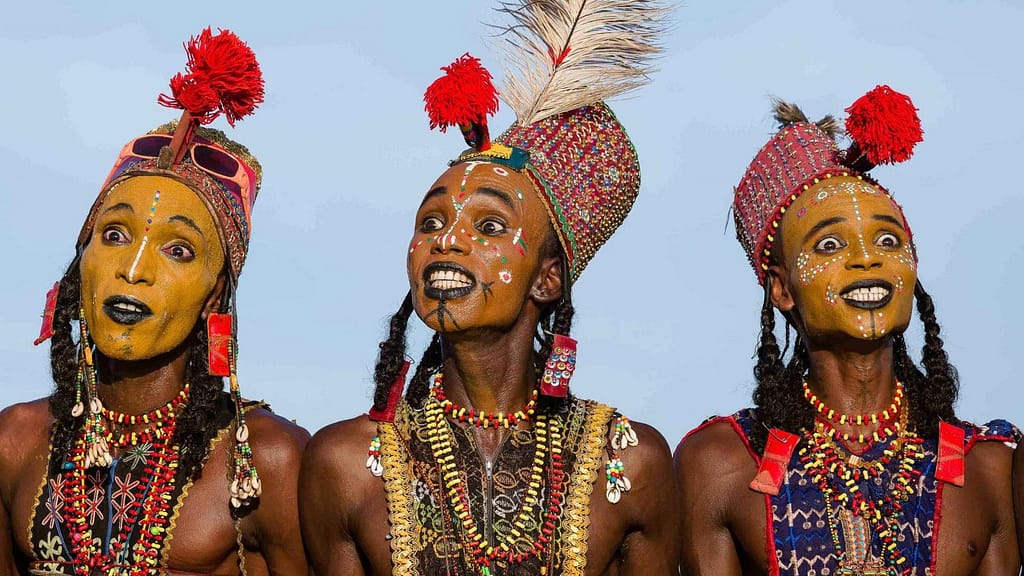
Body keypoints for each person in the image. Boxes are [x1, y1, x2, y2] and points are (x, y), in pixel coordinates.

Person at [299, 1, 679, 574]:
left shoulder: (631, 461)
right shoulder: (344, 463)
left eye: (490, 226)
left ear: (548, 279)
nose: (445, 242)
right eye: (430, 222)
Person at [675, 87, 1021, 574]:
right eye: (830, 244)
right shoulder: (722, 463)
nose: (866, 259)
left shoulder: (990, 466)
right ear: (782, 289)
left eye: (888, 239)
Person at [0, 28, 309, 575]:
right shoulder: (16, 442)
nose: (134, 269)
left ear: (216, 290)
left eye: (178, 249)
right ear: (80, 262)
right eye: (114, 235)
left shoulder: (269, 460)